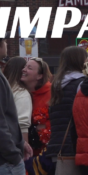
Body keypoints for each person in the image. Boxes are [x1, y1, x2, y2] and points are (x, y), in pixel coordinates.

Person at [45, 46, 88, 166]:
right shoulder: (81, 83)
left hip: (57, 144)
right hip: (74, 146)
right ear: (79, 61)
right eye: (86, 59)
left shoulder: (57, 84)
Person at [0, 34, 33, 175]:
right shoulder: (22, 93)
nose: (7, 43)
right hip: (6, 160)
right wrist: (14, 153)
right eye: (4, 41)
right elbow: (16, 123)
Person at [3, 57, 31, 142]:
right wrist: (23, 150)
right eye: (25, 67)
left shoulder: (4, 89)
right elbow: (22, 124)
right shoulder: (21, 93)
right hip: (10, 144)